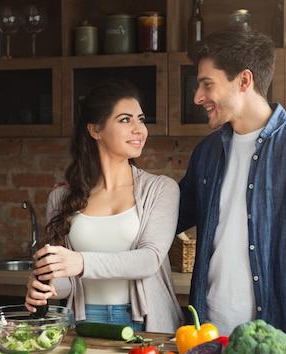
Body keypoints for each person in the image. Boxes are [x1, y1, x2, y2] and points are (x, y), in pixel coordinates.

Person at [178, 24, 286, 354]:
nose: (198, 97)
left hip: (274, 343)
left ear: (244, 80)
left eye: (207, 83)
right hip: (206, 339)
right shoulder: (207, 153)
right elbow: (169, 216)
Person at [25, 79, 184, 333]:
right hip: (82, 322)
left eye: (141, 119)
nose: (139, 129)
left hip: (143, 321)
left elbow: (149, 259)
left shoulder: (161, 190)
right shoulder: (61, 198)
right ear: (95, 130)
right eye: (125, 120)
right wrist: (47, 285)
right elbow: (67, 280)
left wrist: (81, 262)